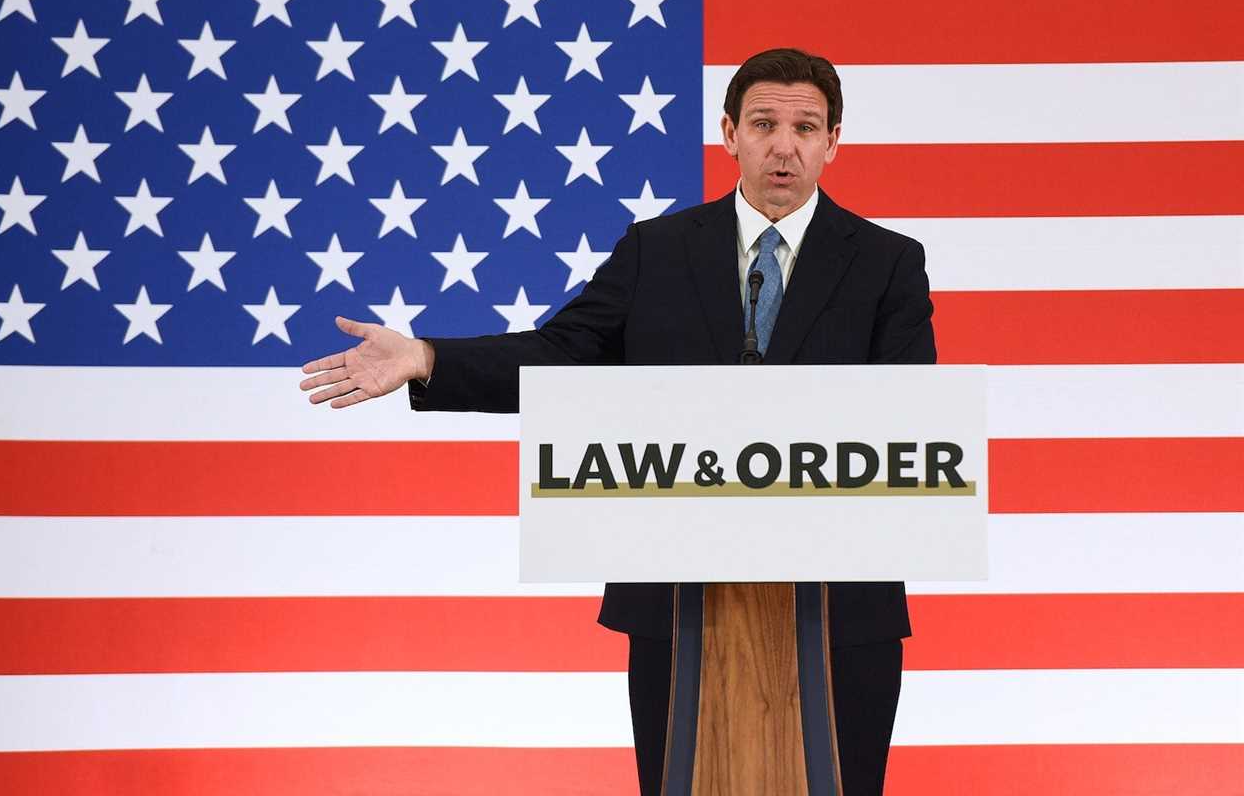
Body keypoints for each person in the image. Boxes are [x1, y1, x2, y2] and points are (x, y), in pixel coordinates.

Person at [300, 47, 936, 796]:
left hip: (837, 608)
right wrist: (429, 358)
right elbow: (562, 353)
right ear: (729, 133)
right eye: (764, 123)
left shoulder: (889, 262)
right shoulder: (657, 251)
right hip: (678, 598)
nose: (784, 145)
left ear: (833, 142)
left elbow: (909, 420)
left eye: (805, 126)